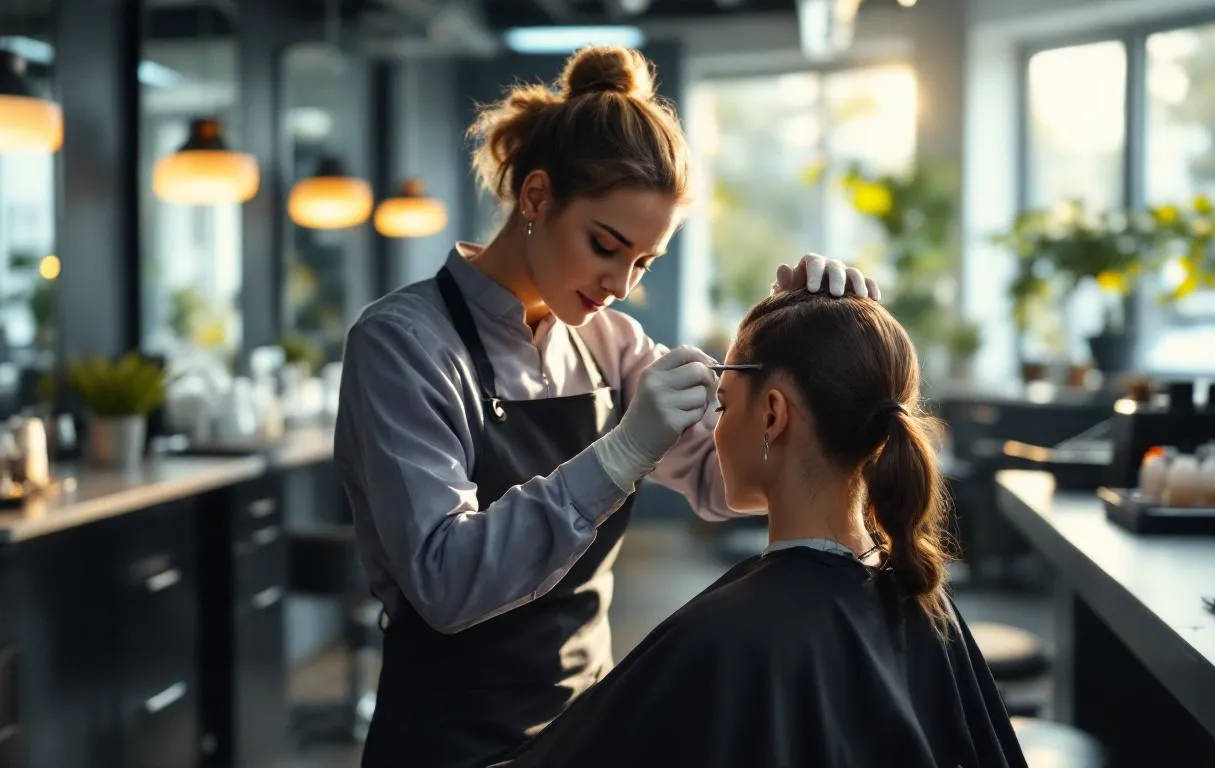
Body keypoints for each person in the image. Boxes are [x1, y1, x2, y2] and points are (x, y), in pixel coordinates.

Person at [333, 46, 880, 768]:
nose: (619, 285)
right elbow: (444, 580)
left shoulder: (611, 342)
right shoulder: (401, 345)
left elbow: (729, 486)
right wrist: (619, 456)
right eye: (605, 246)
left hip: (586, 730)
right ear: (535, 197)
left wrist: (808, 344)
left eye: (642, 264)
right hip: (449, 741)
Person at [488, 289, 1029, 768]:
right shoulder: (919, 592)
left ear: (772, 415)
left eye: (722, 406)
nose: (713, 430)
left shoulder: (722, 639)